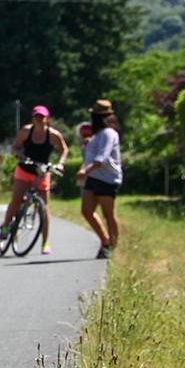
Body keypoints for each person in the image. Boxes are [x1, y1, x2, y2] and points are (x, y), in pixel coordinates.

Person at [0, 105, 69, 255]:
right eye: (36, 117)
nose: (39, 120)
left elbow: (64, 149)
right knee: (17, 199)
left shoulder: (53, 135)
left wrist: (60, 164)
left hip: (42, 171)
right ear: (33, 118)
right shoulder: (26, 131)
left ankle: (45, 242)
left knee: (44, 208)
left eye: (42, 117)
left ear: (47, 119)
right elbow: (15, 146)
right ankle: (6, 226)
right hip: (25, 168)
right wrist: (21, 155)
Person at [77, 99, 123, 259]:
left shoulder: (109, 133)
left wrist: (85, 170)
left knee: (108, 214)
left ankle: (112, 246)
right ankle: (105, 241)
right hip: (94, 176)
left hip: (107, 178)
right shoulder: (97, 135)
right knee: (87, 211)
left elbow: (101, 158)